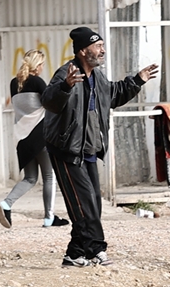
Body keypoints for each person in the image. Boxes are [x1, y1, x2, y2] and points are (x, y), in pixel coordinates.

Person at [40, 26, 158, 268]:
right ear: (83, 51)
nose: (103, 50)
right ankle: (96, 249)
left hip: (90, 151)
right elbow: (49, 101)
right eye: (98, 46)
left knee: (92, 204)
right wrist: (66, 87)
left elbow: (113, 95)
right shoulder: (67, 73)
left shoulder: (98, 77)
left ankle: (74, 254)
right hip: (67, 150)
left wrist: (137, 80)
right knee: (83, 205)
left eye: (103, 45)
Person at [0, 47, 60, 230]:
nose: (42, 68)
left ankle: (6, 203)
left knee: (30, 178)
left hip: (22, 137)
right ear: (37, 65)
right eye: (41, 65)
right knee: (49, 176)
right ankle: (49, 218)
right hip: (40, 135)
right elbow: (52, 103)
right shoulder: (38, 82)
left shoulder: (13, 83)